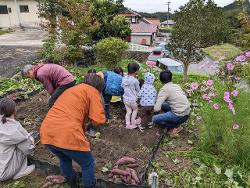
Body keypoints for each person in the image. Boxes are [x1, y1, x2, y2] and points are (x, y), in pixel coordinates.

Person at [40, 73, 106, 188]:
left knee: (64, 159)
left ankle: (72, 182)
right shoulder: (92, 91)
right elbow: (98, 120)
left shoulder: (72, 89)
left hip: (47, 131)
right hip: (67, 132)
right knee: (87, 163)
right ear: (98, 87)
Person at [0, 98, 35, 181]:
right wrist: (31, 140)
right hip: (4, 172)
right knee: (24, 145)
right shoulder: (15, 130)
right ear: (13, 110)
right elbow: (28, 150)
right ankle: (21, 171)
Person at [153, 70, 190, 134]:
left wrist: (150, 109)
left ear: (160, 80)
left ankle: (176, 126)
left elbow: (156, 109)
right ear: (171, 78)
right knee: (163, 105)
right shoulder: (176, 86)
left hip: (179, 115)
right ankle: (172, 118)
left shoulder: (164, 90)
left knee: (154, 119)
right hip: (187, 112)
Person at [121, 63, 141, 129]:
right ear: (136, 71)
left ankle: (128, 124)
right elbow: (138, 90)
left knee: (129, 112)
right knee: (135, 110)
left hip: (125, 99)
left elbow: (122, 86)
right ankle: (133, 123)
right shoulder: (135, 81)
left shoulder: (124, 78)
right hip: (132, 100)